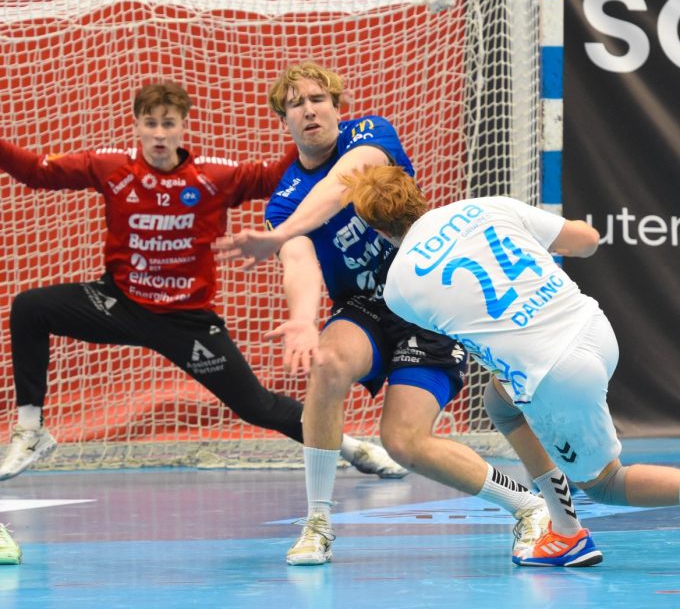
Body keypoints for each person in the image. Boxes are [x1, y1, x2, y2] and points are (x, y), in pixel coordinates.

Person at [218, 62, 553, 567]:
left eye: (318, 99)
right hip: (364, 308)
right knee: (328, 362)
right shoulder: (284, 202)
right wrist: (304, 318)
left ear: (338, 107)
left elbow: (340, 185)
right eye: (296, 104)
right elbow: (300, 262)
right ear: (283, 121)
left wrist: (284, 233)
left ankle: (528, 506)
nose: (309, 110)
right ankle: (317, 522)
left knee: (404, 442)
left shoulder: (370, 135)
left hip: (423, 302)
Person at [0, 81, 409, 490]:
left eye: (168, 124)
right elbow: (37, 172)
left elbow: (273, 176)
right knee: (30, 308)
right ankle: (31, 430)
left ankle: (353, 448)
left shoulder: (213, 177)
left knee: (257, 407)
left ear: (183, 127)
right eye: (150, 124)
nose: (159, 134)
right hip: (119, 303)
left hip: (186, 321)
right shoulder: (111, 167)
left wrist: (307, 127)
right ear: (136, 125)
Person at [336, 163, 680, 566]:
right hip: (595, 329)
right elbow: (586, 240)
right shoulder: (488, 206)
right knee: (500, 403)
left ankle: (570, 535)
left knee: (606, 485)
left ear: (377, 230)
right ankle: (564, 529)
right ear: (418, 193)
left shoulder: (399, 288)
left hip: (555, 373)